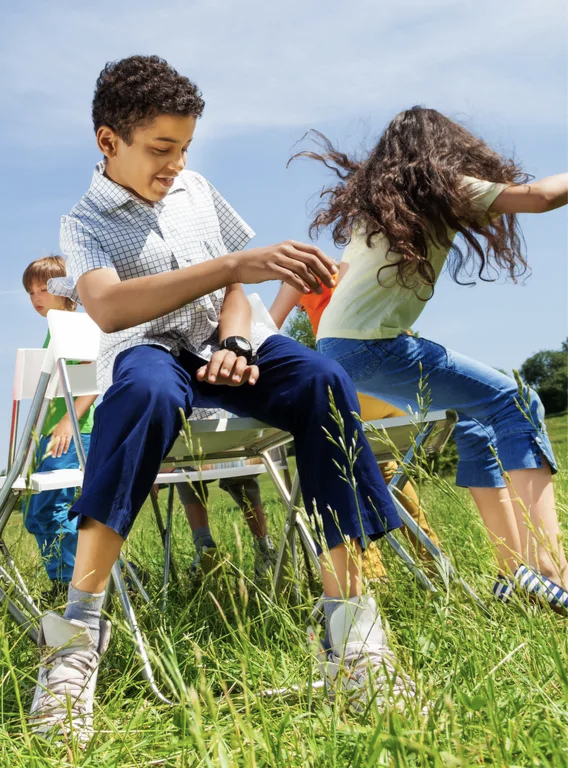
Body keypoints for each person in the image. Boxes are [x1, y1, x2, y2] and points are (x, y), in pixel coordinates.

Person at [28, 56, 415, 748]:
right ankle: (74, 638)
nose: (175, 164)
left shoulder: (196, 190)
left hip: (227, 343)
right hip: (151, 350)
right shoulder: (82, 222)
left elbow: (237, 289)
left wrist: (236, 339)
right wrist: (235, 266)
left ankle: (349, 628)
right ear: (108, 141)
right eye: (161, 149)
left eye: (184, 149)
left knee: (324, 381)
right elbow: (110, 308)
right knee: (141, 393)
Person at [296, 107, 567, 613]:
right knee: (518, 401)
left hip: (339, 348)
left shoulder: (379, 206)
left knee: (476, 421)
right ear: (446, 150)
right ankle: (550, 569)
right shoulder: (441, 187)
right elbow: (545, 197)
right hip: (371, 347)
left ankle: (515, 573)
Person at [269, 269, 440, 581]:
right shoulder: (349, 271)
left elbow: (267, 329)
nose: (298, 307)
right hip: (398, 386)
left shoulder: (301, 282)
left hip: (358, 385)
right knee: (390, 470)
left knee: (343, 466)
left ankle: (372, 573)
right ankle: (433, 560)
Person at [21, 256, 98, 600]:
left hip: (74, 431)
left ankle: (72, 584)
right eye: (30, 291)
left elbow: (94, 376)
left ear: (66, 289)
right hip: (51, 433)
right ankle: (67, 576)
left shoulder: (77, 324)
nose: (36, 297)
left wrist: (69, 419)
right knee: (35, 516)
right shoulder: (54, 329)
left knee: (52, 508)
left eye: (43, 289)